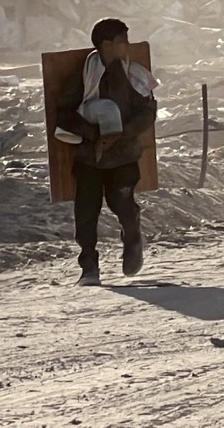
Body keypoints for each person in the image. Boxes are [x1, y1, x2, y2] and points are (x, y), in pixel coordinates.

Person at [62, 18, 157, 285]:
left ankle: (132, 236)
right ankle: (89, 267)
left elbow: (147, 113)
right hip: (89, 158)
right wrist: (95, 134)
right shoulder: (82, 76)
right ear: (106, 45)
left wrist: (120, 134)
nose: (126, 45)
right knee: (86, 213)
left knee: (122, 203)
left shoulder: (132, 75)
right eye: (121, 41)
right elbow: (64, 114)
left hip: (124, 155)